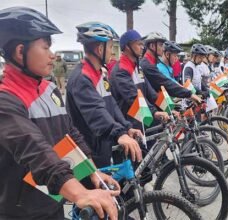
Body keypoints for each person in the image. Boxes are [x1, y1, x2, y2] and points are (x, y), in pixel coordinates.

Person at [0, 7, 119, 219]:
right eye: (46, 48)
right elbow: (35, 149)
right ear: (20, 52)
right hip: (21, 212)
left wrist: (92, 172)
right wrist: (79, 192)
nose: (53, 55)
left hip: (53, 202)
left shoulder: (49, 89)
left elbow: (70, 134)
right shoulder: (6, 100)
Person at [66, 22, 143, 169]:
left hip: (103, 143)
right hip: (89, 151)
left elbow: (112, 105)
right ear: (100, 49)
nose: (112, 53)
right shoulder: (82, 78)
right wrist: (119, 133)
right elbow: (96, 111)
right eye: (110, 47)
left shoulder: (99, 73)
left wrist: (126, 128)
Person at [110, 29, 169, 130]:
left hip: (142, 118)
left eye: (142, 44)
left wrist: (168, 108)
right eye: (139, 44)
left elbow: (151, 93)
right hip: (130, 123)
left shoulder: (138, 67)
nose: (142, 47)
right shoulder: (121, 70)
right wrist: (154, 112)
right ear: (127, 47)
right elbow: (133, 97)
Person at [140, 32, 201, 103]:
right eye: (161, 45)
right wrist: (189, 94)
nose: (163, 49)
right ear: (152, 46)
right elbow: (165, 83)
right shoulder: (147, 65)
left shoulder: (152, 62)